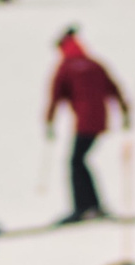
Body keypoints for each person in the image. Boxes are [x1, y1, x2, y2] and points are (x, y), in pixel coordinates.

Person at [45, 28, 129, 226]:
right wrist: (125, 112)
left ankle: (83, 207)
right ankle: (92, 205)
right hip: (100, 120)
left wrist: (49, 121)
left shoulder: (66, 67)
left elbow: (56, 96)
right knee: (81, 160)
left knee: (76, 161)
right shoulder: (94, 64)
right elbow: (114, 87)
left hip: (85, 122)